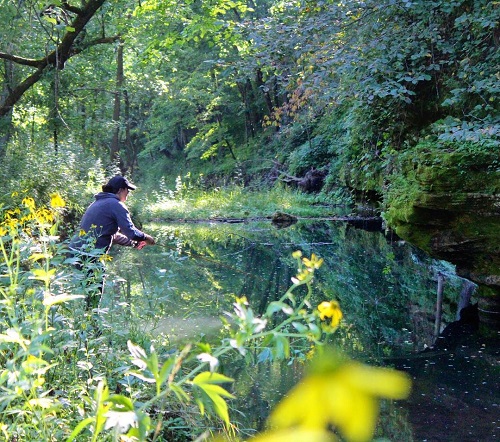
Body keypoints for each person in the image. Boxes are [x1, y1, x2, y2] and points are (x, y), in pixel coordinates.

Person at [68, 175, 156, 310]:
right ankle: (92, 325)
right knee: (94, 296)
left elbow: (112, 235)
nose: (128, 194)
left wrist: (133, 243)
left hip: (74, 252)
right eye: (128, 190)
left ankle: (84, 323)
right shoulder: (117, 205)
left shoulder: (99, 203)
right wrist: (147, 238)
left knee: (84, 293)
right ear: (121, 190)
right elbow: (131, 232)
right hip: (89, 256)